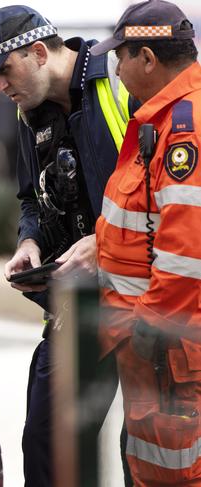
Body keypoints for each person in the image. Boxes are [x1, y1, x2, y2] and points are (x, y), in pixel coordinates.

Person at [0, 6, 135, 486]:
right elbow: (30, 199)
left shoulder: (121, 85)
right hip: (78, 305)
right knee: (46, 443)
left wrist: (103, 245)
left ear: (39, 53)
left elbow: (165, 197)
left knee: (141, 451)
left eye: (4, 71)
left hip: (144, 297)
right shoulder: (27, 108)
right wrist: (29, 239)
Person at [91, 0, 201, 484]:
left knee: (173, 472)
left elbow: (186, 252)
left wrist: (149, 327)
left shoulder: (185, 128)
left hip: (166, 351)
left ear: (149, 59)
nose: (116, 69)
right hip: (155, 349)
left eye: (121, 57)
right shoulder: (164, 117)